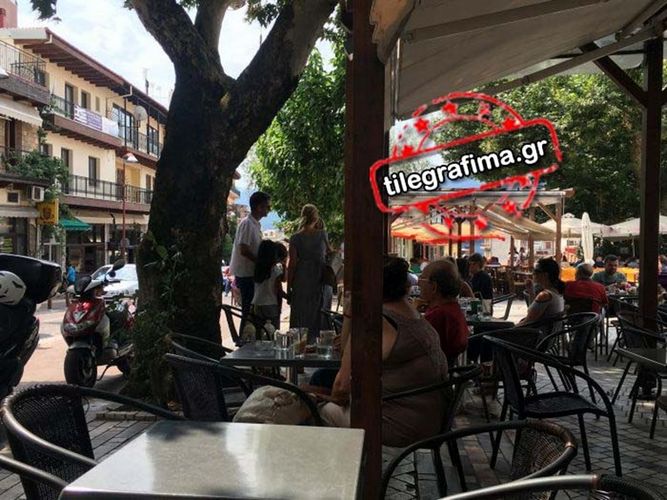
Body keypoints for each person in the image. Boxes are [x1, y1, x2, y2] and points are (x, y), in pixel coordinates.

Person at [316, 257, 449, 447]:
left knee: (309, 411)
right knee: (319, 383)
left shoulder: (377, 321)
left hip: (396, 425)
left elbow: (341, 389)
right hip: (429, 419)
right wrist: (350, 314)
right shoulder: (414, 316)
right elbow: (348, 357)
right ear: (405, 286)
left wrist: (351, 313)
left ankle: (336, 465)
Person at [288, 204, 331, 341]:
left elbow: (292, 264)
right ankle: (318, 343)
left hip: (301, 279)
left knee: (301, 314)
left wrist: (289, 286)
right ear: (316, 217)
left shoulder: (295, 238)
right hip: (320, 278)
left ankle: (300, 343)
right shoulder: (322, 235)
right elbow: (330, 253)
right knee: (319, 313)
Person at [229, 192, 271, 323]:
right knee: (248, 313)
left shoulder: (255, 224)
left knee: (251, 312)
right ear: (259, 207)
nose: (269, 209)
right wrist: (261, 263)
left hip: (250, 274)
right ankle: (245, 335)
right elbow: (244, 249)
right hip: (246, 275)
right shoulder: (247, 224)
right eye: (267, 206)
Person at [421, 259, 469, 365]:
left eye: (422, 279)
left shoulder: (438, 316)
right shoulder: (453, 309)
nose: (418, 283)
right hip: (449, 367)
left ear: (434, 287)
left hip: (433, 370)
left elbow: (417, 347)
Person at [519, 258, 565, 325]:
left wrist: (511, 328)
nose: (533, 273)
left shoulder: (545, 295)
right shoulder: (556, 292)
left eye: (535, 271)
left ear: (545, 275)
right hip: (546, 330)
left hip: (537, 331)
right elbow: (532, 312)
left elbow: (528, 322)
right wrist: (531, 292)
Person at [251, 241, 285, 330]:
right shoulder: (275, 270)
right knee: (272, 332)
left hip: (257, 304)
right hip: (271, 305)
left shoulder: (256, 269)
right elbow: (279, 290)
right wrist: (288, 298)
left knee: (259, 331)